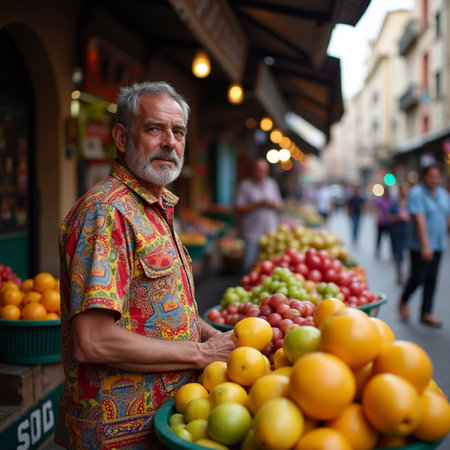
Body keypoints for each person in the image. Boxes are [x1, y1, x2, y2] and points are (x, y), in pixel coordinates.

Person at [55, 81, 235, 449]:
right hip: (114, 437)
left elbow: (166, 306)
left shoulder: (153, 208)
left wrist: (211, 336)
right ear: (121, 137)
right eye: (155, 128)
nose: (170, 142)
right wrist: (201, 354)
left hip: (162, 423)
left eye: (178, 131)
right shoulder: (106, 213)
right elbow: (93, 340)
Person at [398, 164, 450, 327]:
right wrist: (426, 245)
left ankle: (426, 313)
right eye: (431, 176)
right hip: (420, 247)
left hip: (439, 245)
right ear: (423, 177)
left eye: (437, 177)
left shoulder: (442, 194)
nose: (434, 180)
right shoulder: (417, 194)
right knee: (418, 277)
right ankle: (403, 300)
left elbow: (447, 217)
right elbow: (420, 221)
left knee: (432, 280)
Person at [235, 158, 283, 273]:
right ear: (253, 170)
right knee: (249, 266)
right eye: (258, 170)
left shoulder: (272, 184)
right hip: (252, 234)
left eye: (263, 170)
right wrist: (258, 204)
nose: (261, 173)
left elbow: (280, 207)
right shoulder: (245, 185)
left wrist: (272, 204)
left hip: (270, 233)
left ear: (267, 171)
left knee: (270, 267)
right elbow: (238, 208)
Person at [388, 183, 410, 284]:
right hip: (397, 232)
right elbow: (390, 217)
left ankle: (410, 275)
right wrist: (400, 218)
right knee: (399, 255)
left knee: (409, 255)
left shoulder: (411, 203)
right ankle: (400, 275)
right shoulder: (394, 203)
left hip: (409, 233)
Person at [374, 187, 393, 258]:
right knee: (379, 237)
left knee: (391, 239)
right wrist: (377, 220)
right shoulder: (380, 201)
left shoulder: (392, 200)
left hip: (390, 222)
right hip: (382, 222)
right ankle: (378, 250)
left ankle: (392, 253)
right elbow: (378, 211)